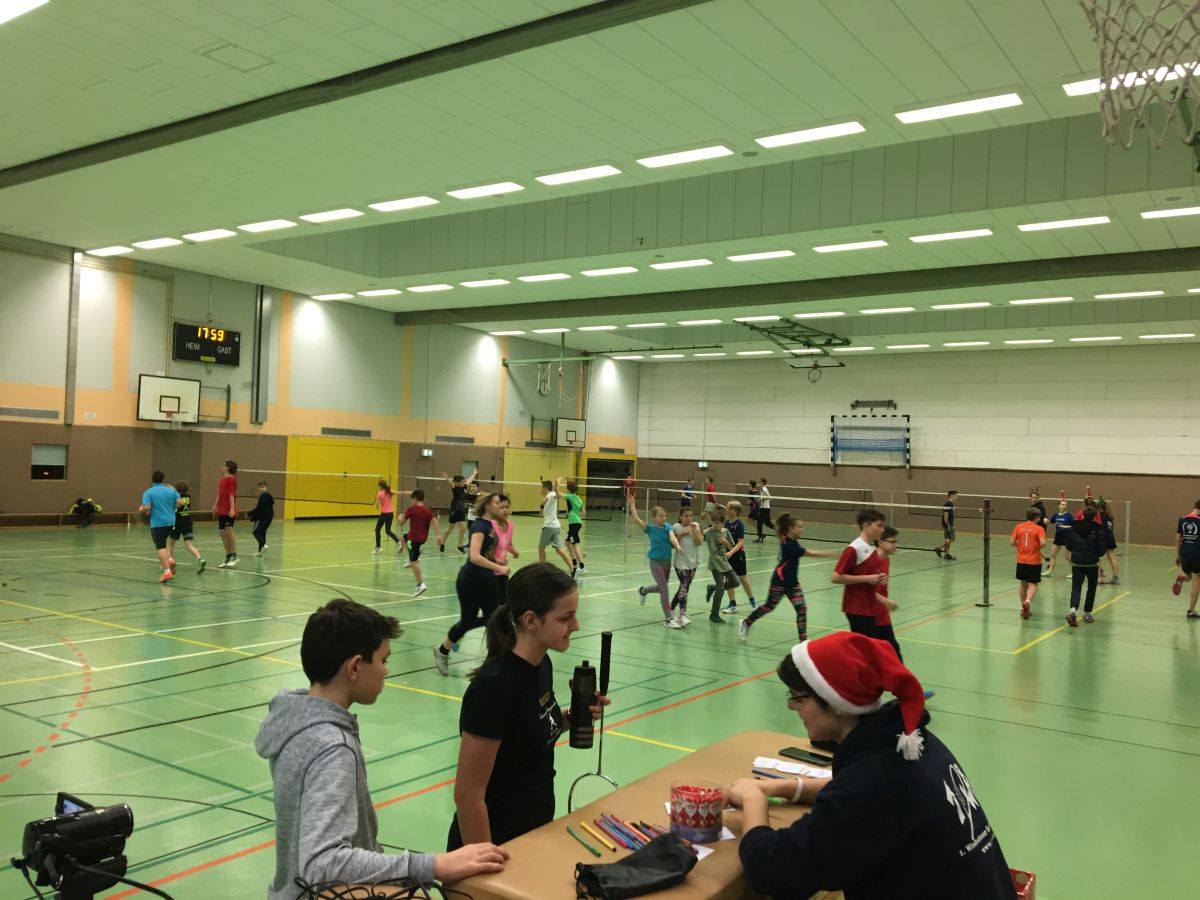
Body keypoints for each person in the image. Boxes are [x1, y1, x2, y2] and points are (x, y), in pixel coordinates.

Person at [729, 632, 1016, 899]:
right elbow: (871, 795)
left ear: (834, 701)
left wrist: (754, 800)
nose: (791, 706)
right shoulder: (907, 742)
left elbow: (773, 870)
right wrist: (787, 787)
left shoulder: (871, 782)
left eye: (798, 697)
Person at [255, 599, 507, 899]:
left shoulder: (296, 718)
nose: (386, 670)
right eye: (383, 660)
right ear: (355, 667)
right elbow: (322, 864)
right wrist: (434, 865)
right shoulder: (332, 748)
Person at [450, 563, 609, 848]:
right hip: (496, 843)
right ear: (531, 620)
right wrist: (485, 863)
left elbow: (527, 731)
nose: (576, 625)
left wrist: (574, 717)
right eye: (566, 617)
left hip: (532, 834)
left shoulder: (541, 664)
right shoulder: (493, 687)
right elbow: (468, 796)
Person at [434, 493, 508, 675]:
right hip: (470, 581)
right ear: (487, 505)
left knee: (493, 619)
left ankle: (495, 662)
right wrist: (498, 567)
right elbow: (474, 556)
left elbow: (487, 552)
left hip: (487, 580)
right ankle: (442, 650)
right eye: (497, 503)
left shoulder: (491, 525)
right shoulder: (479, 526)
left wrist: (498, 562)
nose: (500, 506)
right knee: (468, 621)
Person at [740, 514, 834, 641]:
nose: (802, 529)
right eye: (799, 527)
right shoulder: (789, 545)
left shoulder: (786, 538)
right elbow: (810, 553)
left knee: (801, 609)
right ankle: (746, 622)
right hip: (779, 582)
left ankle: (803, 640)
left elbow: (780, 530)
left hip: (792, 584)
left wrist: (784, 518)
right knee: (769, 606)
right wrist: (829, 554)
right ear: (791, 528)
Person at [629, 496, 684, 629]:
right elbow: (636, 519)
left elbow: (672, 537)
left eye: (664, 516)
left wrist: (677, 545)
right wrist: (632, 504)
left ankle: (643, 590)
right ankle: (668, 619)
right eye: (660, 516)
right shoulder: (649, 529)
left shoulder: (667, 527)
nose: (664, 518)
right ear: (654, 518)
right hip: (655, 562)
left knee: (661, 588)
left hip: (666, 561)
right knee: (664, 590)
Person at [833, 510, 889, 634]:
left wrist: (881, 577)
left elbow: (868, 573)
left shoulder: (871, 548)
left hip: (869, 606)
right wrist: (867, 578)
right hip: (857, 608)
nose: (883, 530)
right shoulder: (854, 548)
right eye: (879, 526)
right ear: (866, 525)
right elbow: (836, 577)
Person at [138, 471, 182, 583]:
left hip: (158, 523)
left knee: (160, 547)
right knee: (164, 543)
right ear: (163, 479)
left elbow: (147, 507)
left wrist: (141, 509)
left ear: (152, 480)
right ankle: (169, 560)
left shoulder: (148, 492)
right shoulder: (171, 490)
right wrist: (173, 508)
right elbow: (180, 502)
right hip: (171, 521)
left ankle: (167, 572)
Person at [1065, 515, 1108, 627]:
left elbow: (1068, 545)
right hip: (1092, 564)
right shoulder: (1098, 530)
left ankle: (1073, 610)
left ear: (1083, 516)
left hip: (1077, 563)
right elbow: (1101, 551)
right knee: (1091, 588)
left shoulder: (1074, 527)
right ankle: (1087, 613)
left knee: (1076, 587)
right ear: (1094, 518)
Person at [398, 488, 441, 597]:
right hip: (422, 538)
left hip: (414, 539)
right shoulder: (428, 510)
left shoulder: (411, 509)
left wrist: (400, 517)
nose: (411, 501)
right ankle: (411, 558)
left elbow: (401, 523)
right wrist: (438, 535)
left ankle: (420, 584)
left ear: (415, 499)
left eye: (411, 499)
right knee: (402, 538)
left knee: (414, 561)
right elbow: (435, 522)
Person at [871, 526, 903, 660]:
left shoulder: (886, 559)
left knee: (892, 650)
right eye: (892, 542)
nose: (896, 545)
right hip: (870, 616)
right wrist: (886, 601)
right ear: (880, 542)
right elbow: (862, 589)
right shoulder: (871, 560)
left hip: (882, 615)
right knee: (891, 652)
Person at [704, 509, 740, 623]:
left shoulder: (726, 532)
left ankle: (712, 587)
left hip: (724, 562)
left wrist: (725, 542)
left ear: (722, 523)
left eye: (717, 523)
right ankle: (714, 615)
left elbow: (731, 547)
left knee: (736, 582)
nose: (715, 525)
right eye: (713, 522)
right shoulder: (709, 532)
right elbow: (699, 534)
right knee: (720, 589)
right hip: (715, 563)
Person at [722, 500, 758, 613]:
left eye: (729, 508)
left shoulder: (739, 524)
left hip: (738, 555)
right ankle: (732, 604)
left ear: (735, 511)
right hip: (727, 555)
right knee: (728, 578)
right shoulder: (726, 523)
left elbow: (741, 542)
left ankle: (752, 600)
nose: (727, 510)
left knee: (743, 578)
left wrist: (731, 552)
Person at [669, 506, 703, 626]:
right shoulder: (675, 527)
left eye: (690, 516)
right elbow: (672, 545)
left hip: (692, 563)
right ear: (681, 517)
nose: (688, 518)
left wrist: (694, 531)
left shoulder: (695, 526)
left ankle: (670, 608)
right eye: (686, 516)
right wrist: (681, 535)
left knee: (683, 589)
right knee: (684, 586)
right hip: (680, 563)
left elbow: (699, 543)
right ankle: (682, 615)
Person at [1011, 509, 1045, 620]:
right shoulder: (1039, 528)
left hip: (1021, 560)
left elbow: (1012, 542)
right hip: (1034, 560)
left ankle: (1023, 608)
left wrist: (1020, 546)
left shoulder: (1018, 527)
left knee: (1023, 584)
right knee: (1033, 584)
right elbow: (1043, 543)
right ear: (1036, 517)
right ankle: (1028, 601)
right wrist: (1035, 548)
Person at [167, 481, 205, 574]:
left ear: (176, 490)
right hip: (188, 523)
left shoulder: (176, 499)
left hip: (177, 523)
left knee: (171, 544)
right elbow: (177, 491)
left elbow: (175, 505)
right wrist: (169, 486)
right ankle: (200, 559)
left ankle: (170, 563)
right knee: (189, 545)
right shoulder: (188, 497)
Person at [537, 477, 574, 570]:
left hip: (549, 526)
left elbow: (558, 496)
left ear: (545, 488)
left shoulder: (552, 494)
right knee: (559, 549)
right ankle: (573, 568)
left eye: (542, 487)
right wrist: (543, 503)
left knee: (541, 548)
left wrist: (557, 486)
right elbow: (541, 514)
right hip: (555, 526)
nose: (541, 489)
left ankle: (543, 569)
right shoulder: (547, 497)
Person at [1173, 499, 1200, 619]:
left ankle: (1182, 578)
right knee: (1196, 579)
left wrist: (1178, 555)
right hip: (1197, 553)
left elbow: (1178, 539)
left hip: (1184, 552)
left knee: (1188, 576)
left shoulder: (1182, 519)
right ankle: (1191, 611)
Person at [439, 468, 477, 553]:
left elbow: (469, 481)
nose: (464, 483)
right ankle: (442, 543)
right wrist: (446, 477)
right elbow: (450, 483)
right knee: (450, 528)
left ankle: (460, 546)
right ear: (457, 482)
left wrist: (474, 474)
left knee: (463, 528)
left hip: (461, 511)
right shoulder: (455, 488)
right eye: (462, 482)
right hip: (455, 511)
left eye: (464, 481)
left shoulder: (464, 487)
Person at [213, 459, 239, 568]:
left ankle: (234, 556)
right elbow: (220, 493)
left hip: (229, 509)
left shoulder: (232, 480)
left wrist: (232, 509)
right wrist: (215, 504)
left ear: (228, 468)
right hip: (222, 509)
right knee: (222, 533)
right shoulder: (222, 479)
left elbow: (231, 495)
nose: (221, 466)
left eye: (223, 465)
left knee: (229, 531)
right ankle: (228, 556)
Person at [492, 494, 517, 602]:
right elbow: (484, 552)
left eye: (507, 507)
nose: (505, 510)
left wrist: (514, 552)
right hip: (490, 572)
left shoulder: (510, 525)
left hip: (502, 572)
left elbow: (507, 544)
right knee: (492, 604)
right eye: (501, 507)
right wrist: (497, 562)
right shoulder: (490, 526)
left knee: (505, 603)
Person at [372, 479, 401, 555]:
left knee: (377, 530)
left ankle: (378, 548)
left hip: (384, 514)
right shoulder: (389, 491)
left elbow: (377, 507)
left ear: (380, 486)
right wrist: (409, 492)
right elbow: (400, 492)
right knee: (388, 531)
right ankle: (398, 542)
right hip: (390, 514)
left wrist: (377, 500)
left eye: (378, 486)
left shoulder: (379, 494)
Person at [563, 480, 587, 575]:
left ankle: (582, 567)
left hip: (573, 524)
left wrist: (556, 484)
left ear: (568, 489)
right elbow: (583, 512)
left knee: (574, 545)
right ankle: (575, 565)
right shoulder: (579, 499)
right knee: (567, 543)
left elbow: (558, 494)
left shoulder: (569, 496)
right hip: (577, 523)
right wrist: (572, 514)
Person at [1045, 500, 1073, 576]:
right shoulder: (1055, 515)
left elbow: (1074, 526)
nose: (1064, 506)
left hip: (1067, 537)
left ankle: (1074, 571)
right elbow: (1051, 521)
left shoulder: (1069, 515)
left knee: (1067, 556)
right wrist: (1046, 520)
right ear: (1059, 506)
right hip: (1058, 537)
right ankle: (1050, 571)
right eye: (1063, 505)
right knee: (1053, 554)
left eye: (1065, 505)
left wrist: (1066, 526)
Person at [249, 481, 275, 557]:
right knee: (263, 532)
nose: (262, 488)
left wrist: (249, 513)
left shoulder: (263, 496)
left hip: (265, 517)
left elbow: (258, 508)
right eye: (260, 487)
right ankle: (261, 552)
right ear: (258, 488)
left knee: (255, 531)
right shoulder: (268, 496)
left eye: (263, 487)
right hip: (269, 517)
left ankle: (263, 545)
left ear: (266, 487)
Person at [1097, 498, 1120, 585]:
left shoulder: (1100, 516)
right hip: (1110, 538)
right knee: (1112, 557)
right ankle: (1115, 578)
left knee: (1096, 557)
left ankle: (1100, 577)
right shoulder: (1110, 515)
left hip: (1102, 539)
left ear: (1099, 507)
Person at [934, 490, 957, 560]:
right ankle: (938, 548)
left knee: (948, 539)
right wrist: (948, 525)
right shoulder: (947, 504)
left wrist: (953, 523)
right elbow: (945, 516)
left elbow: (951, 516)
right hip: (948, 524)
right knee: (952, 538)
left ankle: (947, 554)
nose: (957, 497)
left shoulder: (951, 504)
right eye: (955, 495)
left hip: (949, 523)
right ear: (951, 496)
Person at [1028, 489, 1048, 561]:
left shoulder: (1039, 506)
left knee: (1034, 547)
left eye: (1036, 497)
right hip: (1034, 528)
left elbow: (1043, 517)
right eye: (1033, 497)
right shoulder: (1033, 506)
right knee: (1035, 547)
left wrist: (1044, 519)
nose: (1035, 499)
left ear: (1038, 498)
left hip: (1040, 528)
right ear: (1030, 498)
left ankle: (1039, 560)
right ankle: (1046, 559)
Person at [755, 478, 773, 542]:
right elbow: (769, 497)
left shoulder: (764, 488)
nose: (758, 482)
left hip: (764, 509)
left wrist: (760, 499)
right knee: (768, 524)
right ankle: (781, 530)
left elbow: (768, 496)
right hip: (765, 508)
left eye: (759, 481)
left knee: (759, 523)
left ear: (762, 482)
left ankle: (760, 538)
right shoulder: (763, 488)